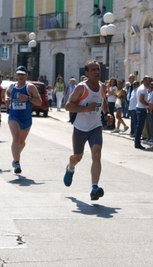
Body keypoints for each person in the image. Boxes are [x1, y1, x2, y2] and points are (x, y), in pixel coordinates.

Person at [63, 60, 113, 201]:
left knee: (96, 154)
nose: (97, 72)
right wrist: (85, 109)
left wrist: (107, 113)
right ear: (87, 73)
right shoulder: (81, 88)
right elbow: (68, 106)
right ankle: (70, 168)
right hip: (80, 128)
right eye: (93, 70)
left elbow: (103, 101)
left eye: (98, 69)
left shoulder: (102, 87)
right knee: (77, 157)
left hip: (96, 126)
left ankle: (94, 187)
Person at [5, 66, 42, 173]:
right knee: (16, 138)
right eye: (19, 74)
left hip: (26, 118)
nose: (20, 76)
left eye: (23, 74)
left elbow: (39, 102)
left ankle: (15, 156)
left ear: (26, 75)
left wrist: (28, 98)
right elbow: (7, 93)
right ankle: (17, 163)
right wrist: (6, 98)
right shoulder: (12, 86)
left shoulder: (30, 87)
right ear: (15, 75)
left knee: (21, 142)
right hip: (14, 116)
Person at [134, 76, 151, 149]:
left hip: (140, 108)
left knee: (139, 126)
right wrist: (148, 105)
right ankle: (137, 143)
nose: (149, 83)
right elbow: (141, 99)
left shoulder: (141, 88)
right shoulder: (143, 89)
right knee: (140, 127)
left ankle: (137, 142)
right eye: (148, 81)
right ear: (144, 81)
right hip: (141, 109)